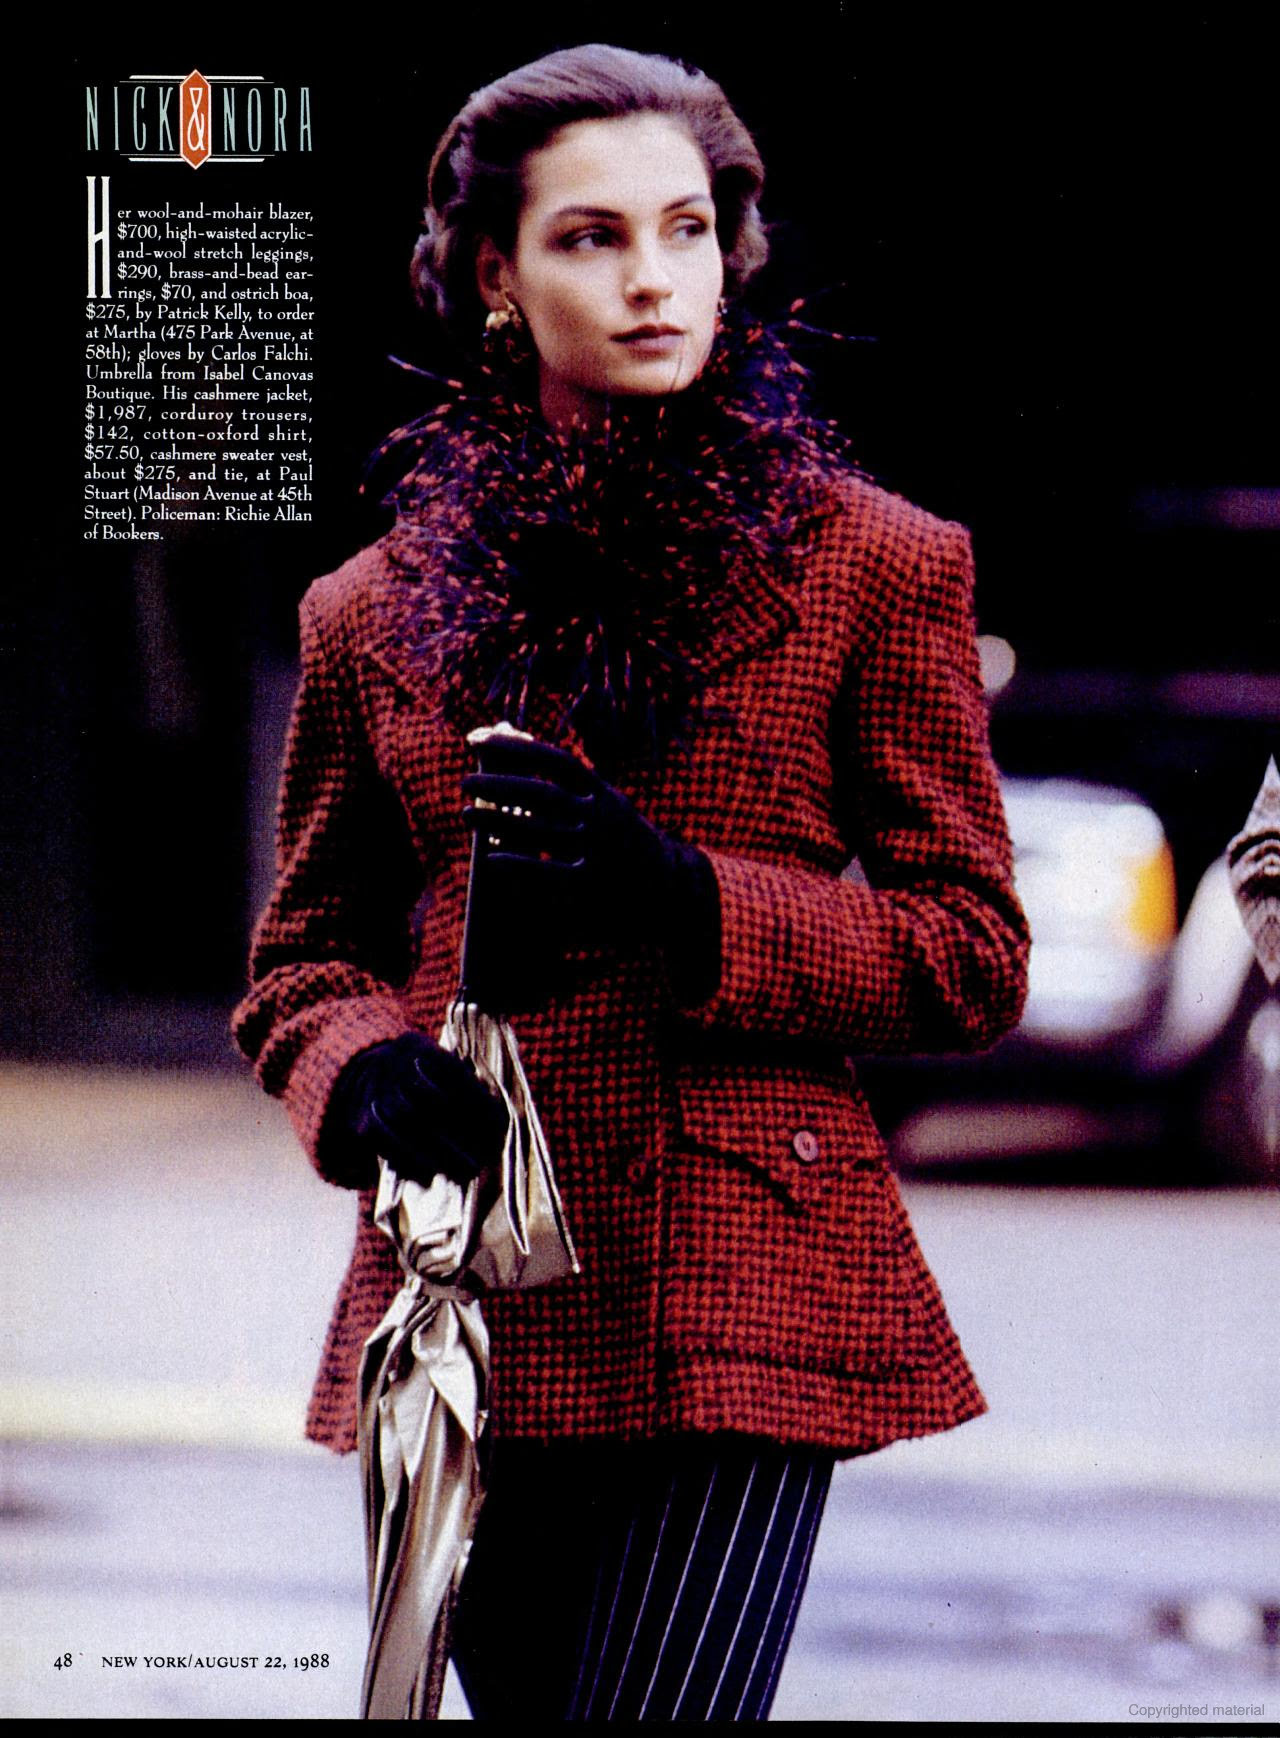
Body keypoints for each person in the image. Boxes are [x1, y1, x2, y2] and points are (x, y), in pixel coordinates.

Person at [233, 43, 1029, 1722]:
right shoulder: (369, 609)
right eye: (591, 237)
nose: (655, 278)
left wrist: (689, 895)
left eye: (685, 230)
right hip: (472, 1284)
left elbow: (969, 950)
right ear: (494, 278)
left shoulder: (878, 564)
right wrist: (359, 1070)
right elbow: (303, 954)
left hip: (741, 1274)